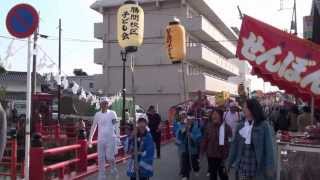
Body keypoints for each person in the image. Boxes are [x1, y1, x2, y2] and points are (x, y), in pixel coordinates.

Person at [227, 99, 276, 180]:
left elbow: (269, 148)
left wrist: (270, 167)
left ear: (253, 108)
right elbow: (234, 146)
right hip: (242, 166)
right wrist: (229, 162)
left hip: (258, 168)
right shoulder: (240, 126)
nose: (243, 109)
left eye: (245, 107)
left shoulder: (264, 126)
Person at [88, 97, 120, 180]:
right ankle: (101, 175)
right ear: (100, 104)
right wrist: (90, 139)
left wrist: (118, 137)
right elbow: (93, 126)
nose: (105, 105)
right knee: (101, 157)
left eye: (106, 103)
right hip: (101, 139)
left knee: (110, 157)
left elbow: (116, 125)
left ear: (108, 104)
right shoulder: (97, 114)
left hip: (111, 138)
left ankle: (113, 168)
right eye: (103, 103)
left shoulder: (112, 113)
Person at [202, 108, 232, 180]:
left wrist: (228, 153)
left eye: (216, 114)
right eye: (213, 114)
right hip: (211, 155)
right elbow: (205, 140)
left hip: (222, 156)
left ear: (221, 116)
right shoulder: (208, 127)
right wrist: (202, 151)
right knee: (212, 174)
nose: (214, 116)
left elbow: (230, 142)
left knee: (223, 175)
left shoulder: (227, 127)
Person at [177, 115, 202, 180]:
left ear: (193, 120)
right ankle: (185, 175)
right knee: (185, 161)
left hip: (193, 148)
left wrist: (191, 135)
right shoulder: (183, 126)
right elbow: (179, 136)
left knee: (194, 161)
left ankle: (196, 169)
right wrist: (183, 131)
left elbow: (199, 138)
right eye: (188, 119)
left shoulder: (196, 127)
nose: (189, 121)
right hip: (185, 148)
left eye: (191, 119)